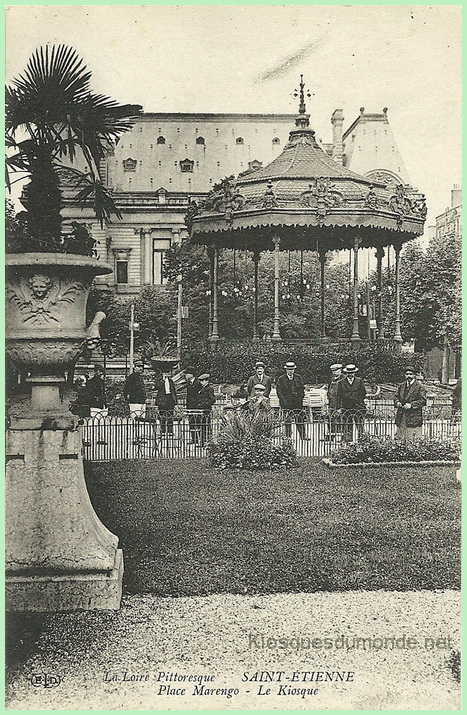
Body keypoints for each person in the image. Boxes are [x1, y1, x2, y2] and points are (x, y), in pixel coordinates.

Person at [275, 361, 307, 439]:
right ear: (286, 370)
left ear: (294, 370)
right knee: (287, 420)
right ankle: (288, 436)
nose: (290, 371)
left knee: (299, 419)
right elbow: (279, 392)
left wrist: (300, 398)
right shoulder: (281, 379)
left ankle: (303, 436)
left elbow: (301, 389)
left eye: (292, 369)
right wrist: (283, 402)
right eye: (289, 369)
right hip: (286, 403)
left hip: (297, 403)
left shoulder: (298, 377)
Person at [394, 365, 427, 440]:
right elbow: (396, 396)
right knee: (400, 438)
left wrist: (411, 405)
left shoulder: (419, 387)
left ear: (414, 375)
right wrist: (397, 402)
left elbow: (423, 400)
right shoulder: (401, 386)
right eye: (407, 374)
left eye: (410, 374)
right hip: (401, 416)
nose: (409, 376)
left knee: (412, 440)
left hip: (413, 417)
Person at [337, 363, 367, 443]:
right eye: (349, 373)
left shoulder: (359, 381)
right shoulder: (341, 382)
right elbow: (339, 396)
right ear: (346, 373)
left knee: (359, 424)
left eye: (352, 373)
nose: (350, 374)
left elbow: (363, 393)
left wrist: (358, 400)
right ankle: (349, 441)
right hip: (346, 407)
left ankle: (361, 441)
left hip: (358, 406)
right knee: (348, 425)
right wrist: (339, 408)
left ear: (354, 373)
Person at [154, 367, 177, 437]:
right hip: (162, 400)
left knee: (170, 415)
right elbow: (156, 387)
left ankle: (170, 430)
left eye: (168, 373)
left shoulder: (171, 381)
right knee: (162, 415)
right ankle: (163, 430)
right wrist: (163, 380)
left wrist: (175, 401)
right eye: (165, 373)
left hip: (169, 398)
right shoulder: (159, 380)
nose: (166, 374)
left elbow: (173, 391)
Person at [326, 363, 343, 441]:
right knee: (331, 419)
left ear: (340, 370)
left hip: (340, 403)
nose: (334, 372)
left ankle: (343, 437)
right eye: (333, 371)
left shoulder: (344, 378)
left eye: (336, 371)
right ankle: (331, 436)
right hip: (331, 402)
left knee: (341, 420)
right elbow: (329, 390)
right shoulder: (331, 379)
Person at [185, 366, 202, 444]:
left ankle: (201, 440)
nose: (186, 375)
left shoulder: (198, 383)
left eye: (187, 373)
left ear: (192, 374)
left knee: (198, 423)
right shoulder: (189, 383)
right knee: (191, 423)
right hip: (190, 406)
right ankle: (194, 439)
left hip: (197, 406)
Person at [197, 373, 216, 445]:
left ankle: (208, 442)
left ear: (206, 381)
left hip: (206, 410)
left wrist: (204, 404)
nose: (201, 383)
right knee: (202, 426)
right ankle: (203, 441)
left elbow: (212, 399)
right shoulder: (203, 388)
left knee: (206, 426)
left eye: (202, 381)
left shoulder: (209, 388)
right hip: (202, 410)